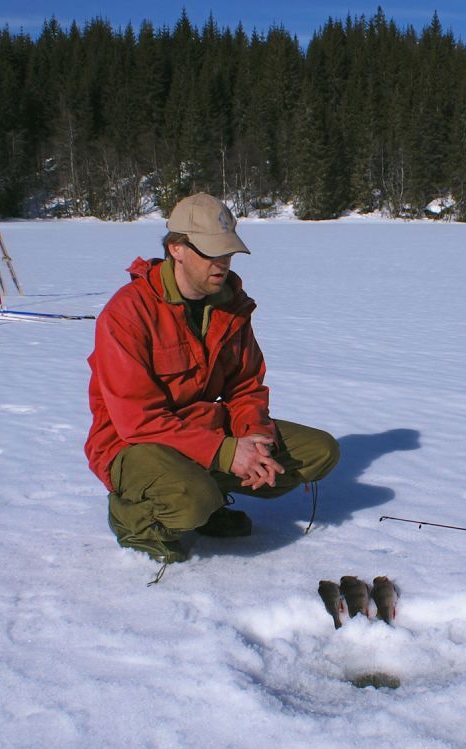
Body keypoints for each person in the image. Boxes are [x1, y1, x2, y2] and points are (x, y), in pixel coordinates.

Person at [84, 193, 340, 575]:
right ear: (177, 249)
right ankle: (137, 518)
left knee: (319, 451)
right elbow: (137, 420)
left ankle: (210, 501)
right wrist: (226, 454)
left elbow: (246, 387)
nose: (222, 264)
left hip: (203, 430)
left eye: (228, 253)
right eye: (211, 253)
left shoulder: (230, 305)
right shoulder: (127, 313)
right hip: (130, 444)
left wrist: (253, 437)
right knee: (190, 498)